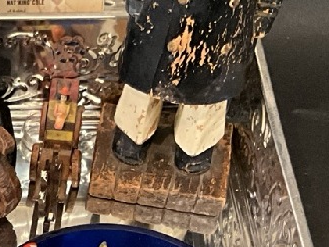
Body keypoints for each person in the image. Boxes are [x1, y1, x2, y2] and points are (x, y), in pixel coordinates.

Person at [113, 0, 283, 173]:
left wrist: (264, 14)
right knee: (144, 81)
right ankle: (132, 132)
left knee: (208, 93)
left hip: (224, 24)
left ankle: (195, 146)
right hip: (159, 14)